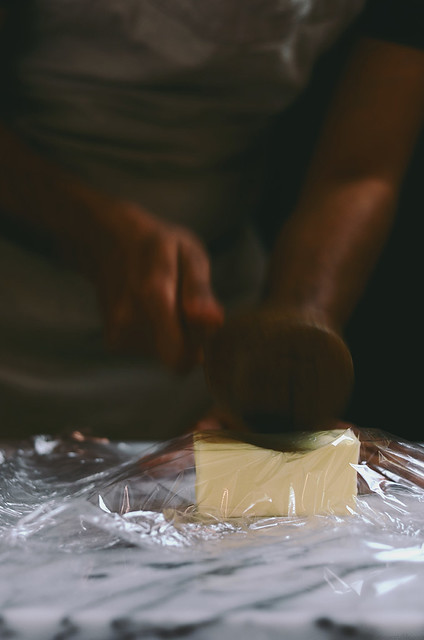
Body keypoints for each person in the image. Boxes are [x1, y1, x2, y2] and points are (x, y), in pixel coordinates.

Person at [0, 0, 423, 440]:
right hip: (14, 315)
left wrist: (295, 337)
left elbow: (357, 172)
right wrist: (90, 227)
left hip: (214, 321)